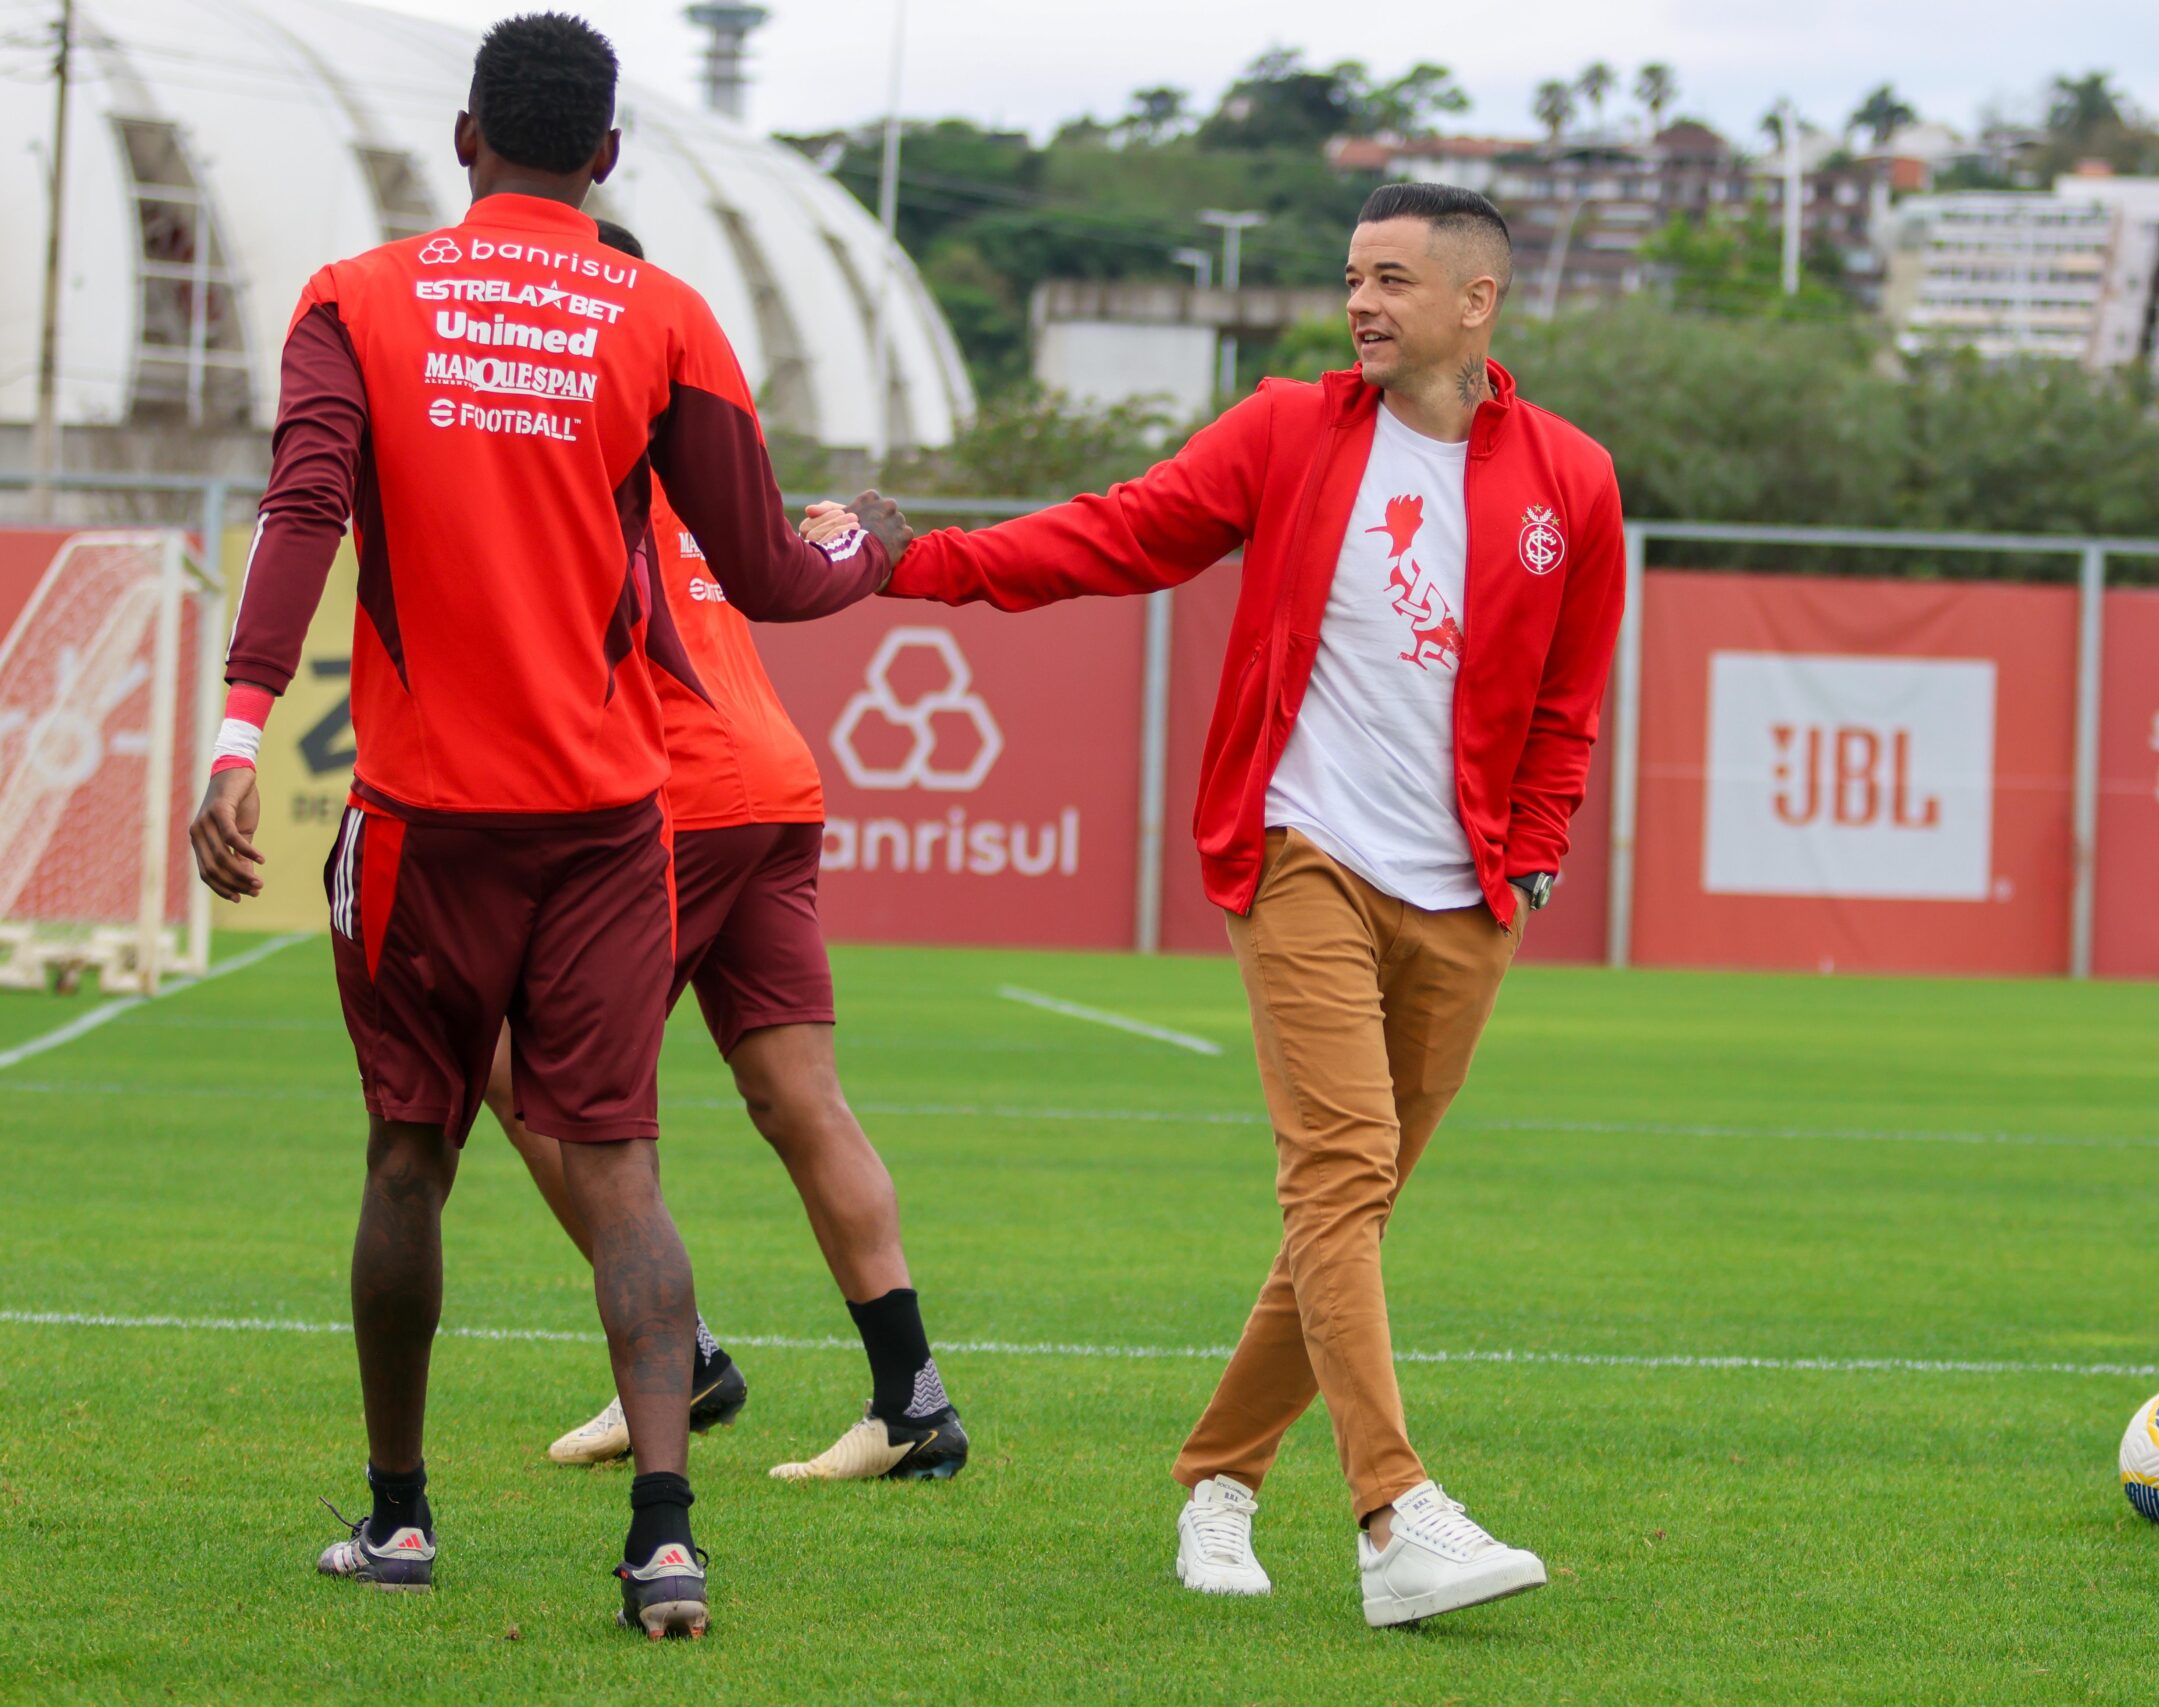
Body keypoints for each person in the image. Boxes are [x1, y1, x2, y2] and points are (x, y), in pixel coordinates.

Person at [804, 181, 1624, 1628]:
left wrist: (1539, 843)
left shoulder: (1575, 479)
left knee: (1349, 1206)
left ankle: (1220, 1478)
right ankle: (1393, 1513)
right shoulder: (1290, 433)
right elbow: (1113, 534)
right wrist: (911, 562)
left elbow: (1570, 693)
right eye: (1354, 275)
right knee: (1341, 1170)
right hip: (1299, 849)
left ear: (1477, 302)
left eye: (1392, 279)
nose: (1362, 301)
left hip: (1469, 897)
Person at [187, 14, 898, 1639]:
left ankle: (400, 1519)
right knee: (624, 1170)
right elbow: (778, 576)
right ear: (611, 154)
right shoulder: (663, 316)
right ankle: (664, 1541)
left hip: (424, 824)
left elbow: (304, 513)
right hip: (602, 827)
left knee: (407, 1161)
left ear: (462, 140)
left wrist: (239, 736)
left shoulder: (355, 302)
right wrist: (872, 544)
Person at [484, 219, 967, 1486]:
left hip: (675, 801)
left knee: (527, 1076)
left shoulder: (558, 460)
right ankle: (911, 1404)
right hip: (778, 787)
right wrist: (862, 531)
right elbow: (801, 558)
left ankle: (682, 1356)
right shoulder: (696, 462)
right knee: (799, 1100)